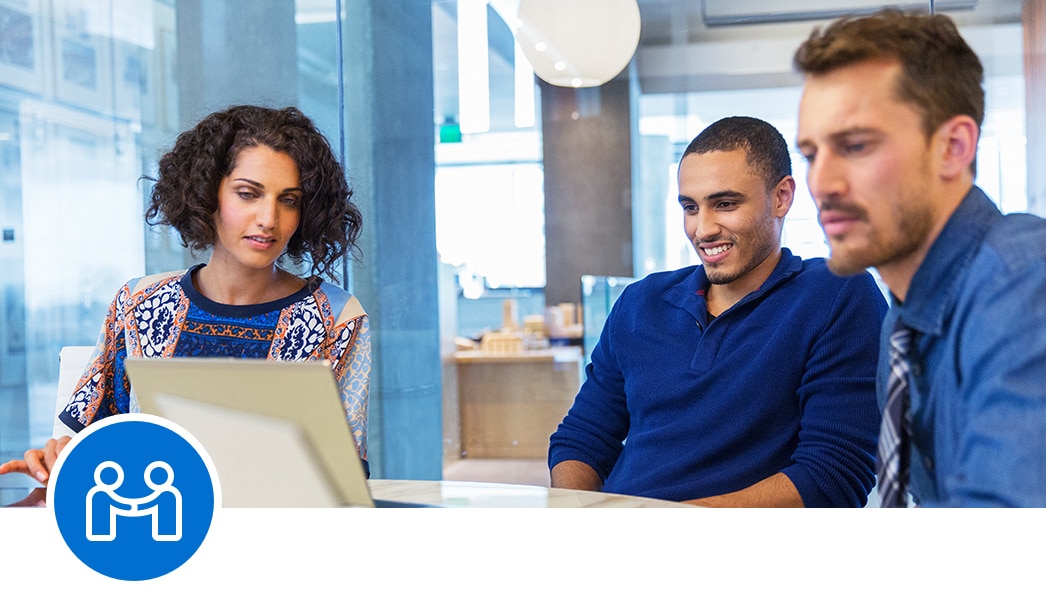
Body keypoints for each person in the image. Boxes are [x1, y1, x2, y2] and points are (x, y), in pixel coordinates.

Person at [0, 105, 370, 506]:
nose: (268, 218)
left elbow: (341, 479)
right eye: (248, 194)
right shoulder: (140, 302)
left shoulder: (337, 318)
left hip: (275, 536)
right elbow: (92, 443)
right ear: (207, 193)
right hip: (152, 528)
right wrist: (58, 459)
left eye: (289, 200)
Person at [548, 116, 887, 507]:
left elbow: (834, 475)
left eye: (724, 204)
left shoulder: (837, 293)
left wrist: (663, 522)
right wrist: (576, 515)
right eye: (690, 207)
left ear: (782, 197)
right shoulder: (641, 302)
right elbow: (584, 437)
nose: (702, 229)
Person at [795, 9, 1046, 506]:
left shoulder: (1020, 284)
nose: (821, 184)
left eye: (856, 145)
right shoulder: (902, 320)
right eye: (811, 154)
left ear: (953, 147)